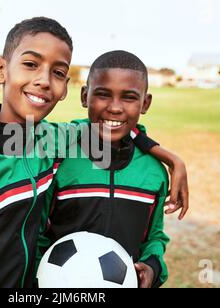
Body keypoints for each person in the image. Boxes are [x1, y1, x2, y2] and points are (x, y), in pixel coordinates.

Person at [0, 17, 187, 288]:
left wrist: (168, 157)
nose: (44, 80)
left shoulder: (53, 142)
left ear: (65, 87)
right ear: (0, 69)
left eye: (57, 72)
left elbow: (109, 125)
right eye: (31, 64)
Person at [38, 50, 175, 288]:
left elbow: (154, 237)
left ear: (145, 103)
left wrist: (152, 266)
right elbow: (37, 231)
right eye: (102, 95)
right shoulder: (60, 159)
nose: (114, 108)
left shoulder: (154, 172)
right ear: (84, 96)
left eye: (129, 97)